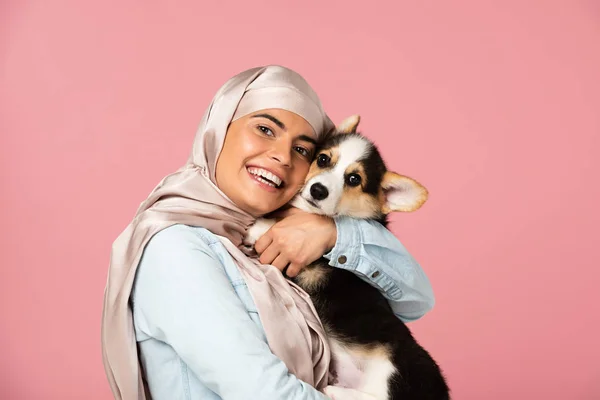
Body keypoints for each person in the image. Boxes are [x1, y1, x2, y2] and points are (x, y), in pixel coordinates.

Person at [101, 65, 435, 400]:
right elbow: (266, 392)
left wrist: (334, 234)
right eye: (264, 129)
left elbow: (416, 299)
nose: (281, 156)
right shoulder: (174, 249)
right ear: (218, 127)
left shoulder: (297, 237)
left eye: (303, 149)